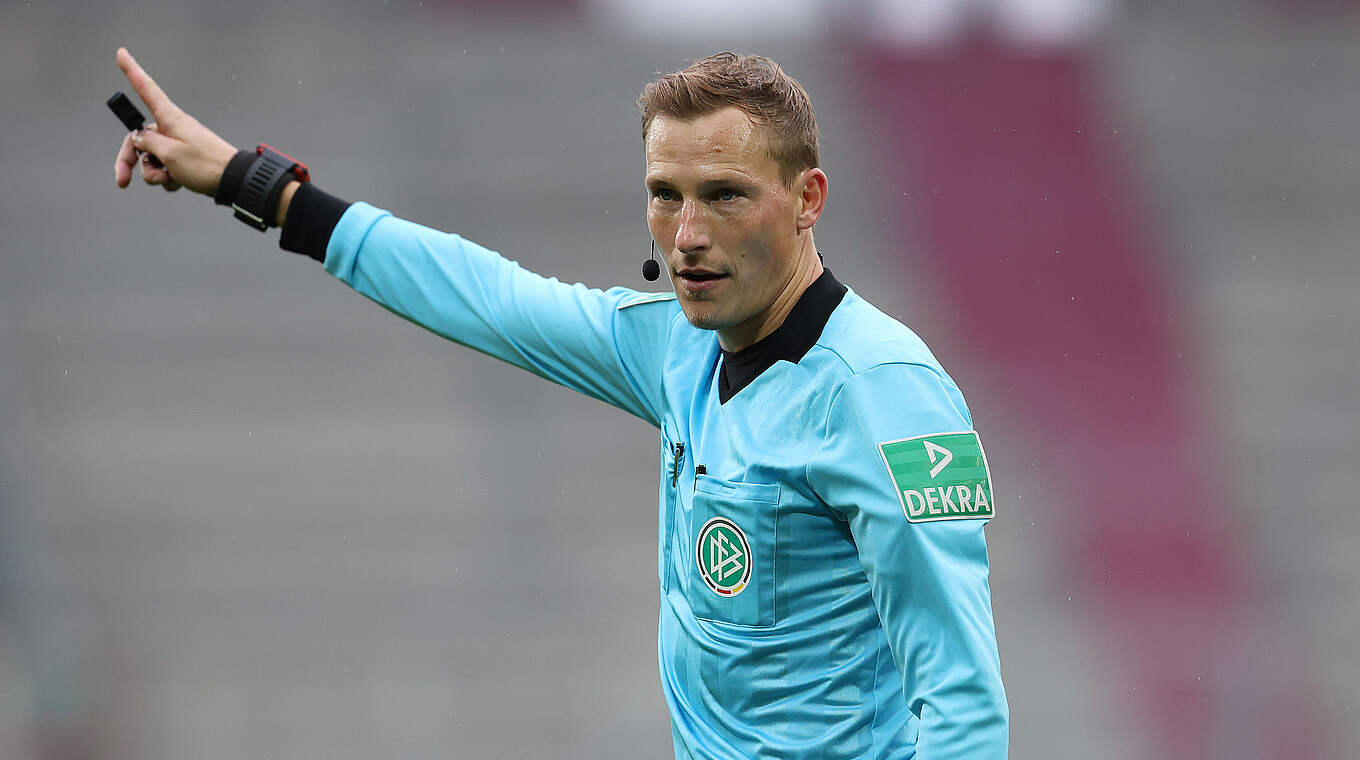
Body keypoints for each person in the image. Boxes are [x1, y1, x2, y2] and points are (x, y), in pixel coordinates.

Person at [112, 47, 1008, 759]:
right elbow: (488, 296)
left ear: (807, 198)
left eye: (725, 196)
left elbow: (963, 703)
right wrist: (249, 181)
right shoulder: (676, 346)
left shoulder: (886, 394)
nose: (688, 236)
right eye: (667, 196)